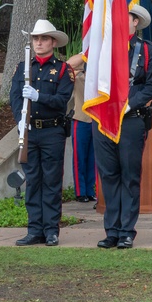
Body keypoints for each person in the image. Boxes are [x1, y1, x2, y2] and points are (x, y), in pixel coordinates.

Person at [93, 5, 152, 249]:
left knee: (130, 176)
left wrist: (130, 103)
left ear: (136, 22)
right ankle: (111, 230)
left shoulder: (147, 50)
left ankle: (126, 231)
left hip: (132, 119)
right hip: (104, 119)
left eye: (127, 18)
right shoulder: (101, 48)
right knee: (109, 176)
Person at [10, 20, 74, 246]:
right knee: (33, 181)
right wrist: (19, 120)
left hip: (51, 131)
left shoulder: (64, 69)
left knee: (51, 181)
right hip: (29, 132)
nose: (39, 42)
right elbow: (15, 97)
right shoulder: (23, 67)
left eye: (43, 38)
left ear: (53, 42)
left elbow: (61, 101)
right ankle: (34, 229)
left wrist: (39, 96)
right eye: (36, 38)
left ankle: (51, 230)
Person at [65, 54, 96, 203]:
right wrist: (85, 54)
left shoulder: (100, 74)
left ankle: (90, 190)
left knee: (93, 158)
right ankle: (80, 191)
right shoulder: (78, 75)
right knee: (79, 157)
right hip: (81, 119)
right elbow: (67, 66)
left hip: (96, 121)